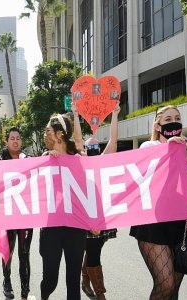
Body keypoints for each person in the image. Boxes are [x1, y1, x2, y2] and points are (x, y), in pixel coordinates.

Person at [129, 105, 187, 300]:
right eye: (168, 119)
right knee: (165, 283)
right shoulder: (148, 148)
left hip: (183, 223)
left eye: (177, 117)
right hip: (154, 223)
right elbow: (149, 182)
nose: (174, 121)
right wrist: (170, 148)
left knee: (175, 288)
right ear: (158, 126)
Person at [73, 103, 120, 300]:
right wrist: (76, 114)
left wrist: (115, 114)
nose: (92, 146)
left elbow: (114, 142)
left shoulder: (103, 159)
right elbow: (76, 140)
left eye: (95, 145)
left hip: (102, 214)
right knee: (93, 254)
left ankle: (85, 278)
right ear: (84, 148)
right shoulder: (79, 160)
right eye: (88, 145)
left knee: (95, 249)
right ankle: (100, 294)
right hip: (86, 216)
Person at [40, 114, 87, 300]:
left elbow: (89, 191)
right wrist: (47, 161)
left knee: (73, 280)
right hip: (51, 227)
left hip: (76, 228)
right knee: (50, 279)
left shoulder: (79, 161)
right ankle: (44, 296)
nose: (45, 134)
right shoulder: (44, 159)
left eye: (48, 131)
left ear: (59, 134)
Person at [0, 126, 32, 300]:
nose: (15, 141)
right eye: (12, 138)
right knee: (7, 252)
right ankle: (6, 281)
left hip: (26, 216)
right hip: (8, 216)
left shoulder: (29, 160)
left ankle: (25, 288)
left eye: (18, 138)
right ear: (7, 141)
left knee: (24, 254)